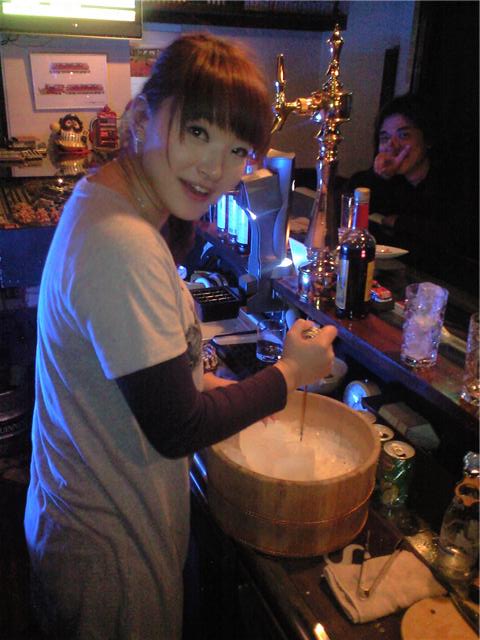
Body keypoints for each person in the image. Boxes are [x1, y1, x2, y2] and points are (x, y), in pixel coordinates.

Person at [24, 33, 337, 640]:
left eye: (236, 149)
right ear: (143, 118)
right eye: (197, 132)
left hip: (79, 518)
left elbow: (126, 372)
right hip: (109, 553)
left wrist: (203, 380)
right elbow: (177, 428)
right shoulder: (124, 242)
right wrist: (291, 374)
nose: (214, 169)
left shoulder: (107, 197)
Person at [346, 93, 469, 279]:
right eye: (385, 138)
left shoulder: (453, 182)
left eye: (404, 135)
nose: (393, 146)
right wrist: (378, 176)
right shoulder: (386, 182)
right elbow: (348, 207)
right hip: (391, 276)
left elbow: (454, 236)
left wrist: (399, 222)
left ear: (427, 139)